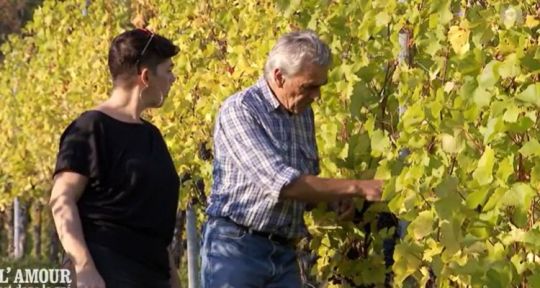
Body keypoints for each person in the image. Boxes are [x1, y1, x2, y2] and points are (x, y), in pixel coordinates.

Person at [201, 30, 384, 287]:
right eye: (309, 86)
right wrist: (358, 187)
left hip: (285, 252)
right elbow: (283, 185)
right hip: (237, 249)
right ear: (279, 76)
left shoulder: (302, 114)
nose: (317, 96)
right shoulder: (240, 111)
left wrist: (333, 201)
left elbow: (304, 184)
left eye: (321, 86)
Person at [49, 28, 181, 288]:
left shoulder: (152, 136)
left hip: (153, 276)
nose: (173, 78)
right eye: (167, 71)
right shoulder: (90, 128)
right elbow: (61, 200)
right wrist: (83, 267)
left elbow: (153, 225)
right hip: (105, 273)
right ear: (145, 76)